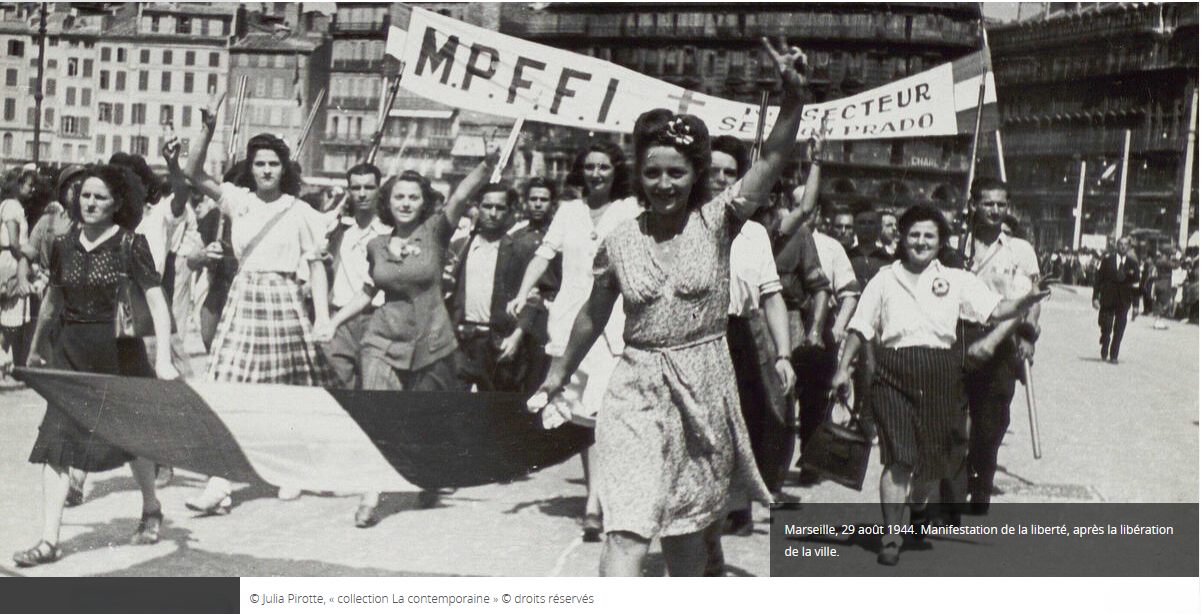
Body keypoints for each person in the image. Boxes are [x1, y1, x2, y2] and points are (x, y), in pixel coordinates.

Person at [529, 37, 808, 577]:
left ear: (695, 174)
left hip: (705, 387)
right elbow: (593, 313)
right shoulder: (619, 240)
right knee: (627, 527)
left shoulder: (719, 221)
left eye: (676, 173)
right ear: (638, 171)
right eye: (653, 173)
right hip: (636, 387)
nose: (663, 185)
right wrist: (558, 372)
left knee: (685, 534)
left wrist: (793, 99)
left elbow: (772, 158)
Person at [832, 205, 1049, 566]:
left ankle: (915, 504)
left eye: (929, 236)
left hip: (940, 374)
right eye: (914, 234)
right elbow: (860, 327)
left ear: (940, 241)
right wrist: (843, 369)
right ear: (902, 237)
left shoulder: (956, 280)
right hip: (893, 373)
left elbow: (994, 311)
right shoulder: (884, 279)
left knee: (930, 466)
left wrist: (1027, 300)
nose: (921, 242)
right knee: (898, 457)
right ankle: (890, 535)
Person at [315, 152, 499, 526]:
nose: (405, 203)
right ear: (388, 201)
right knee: (380, 415)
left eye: (413, 197)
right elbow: (368, 293)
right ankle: (371, 495)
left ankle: (428, 475)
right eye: (399, 197)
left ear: (424, 201)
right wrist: (333, 322)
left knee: (426, 417)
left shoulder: (435, 230)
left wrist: (485, 166)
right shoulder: (376, 245)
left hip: (431, 340)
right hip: (383, 338)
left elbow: (461, 197)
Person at [14, 165, 179, 567]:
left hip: (120, 355)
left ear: (117, 203)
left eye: (99, 197)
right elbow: (53, 302)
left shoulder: (130, 244)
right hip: (73, 355)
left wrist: (164, 358)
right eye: (85, 195)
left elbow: (156, 301)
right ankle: (49, 540)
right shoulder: (64, 243)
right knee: (55, 442)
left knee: (132, 439)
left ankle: (150, 506)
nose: (89, 203)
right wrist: (36, 348)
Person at [177, 96, 334, 514]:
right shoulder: (238, 200)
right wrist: (207, 129)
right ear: (252, 167)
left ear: (285, 168)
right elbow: (191, 172)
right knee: (226, 388)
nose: (266, 170)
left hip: (283, 304)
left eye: (273, 164)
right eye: (260, 163)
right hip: (243, 302)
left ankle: (292, 468)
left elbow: (317, 266)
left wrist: (323, 318)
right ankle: (219, 483)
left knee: (286, 394)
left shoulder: (301, 212)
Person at [506, 140, 640, 542]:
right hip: (572, 325)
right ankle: (593, 504)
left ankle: (612, 497)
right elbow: (544, 256)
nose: (597, 174)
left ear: (616, 171)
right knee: (586, 415)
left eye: (604, 167)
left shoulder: (630, 209)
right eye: (590, 167)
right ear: (580, 172)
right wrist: (522, 291)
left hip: (617, 323)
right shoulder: (568, 212)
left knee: (614, 415)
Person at [709, 134, 808, 543]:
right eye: (711, 171)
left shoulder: (754, 234)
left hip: (738, 335)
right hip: (695, 336)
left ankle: (736, 504)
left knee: (746, 422)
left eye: (729, 173)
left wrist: (784, 354)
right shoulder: (682, 222)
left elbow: (771, 295)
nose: (719, 179)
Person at [958, 178, 1042, 516]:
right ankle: (952, 489)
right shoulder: (957, 246)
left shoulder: (1019, 250)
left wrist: (1028, 335)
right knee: (953, 423)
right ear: (974, 203)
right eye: (988, 203)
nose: (994, 210)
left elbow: (1030, 301)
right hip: (960, 336)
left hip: (1002, 344)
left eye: (1000, 204)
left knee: (990, 427)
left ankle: (979, 491)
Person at [449, 182, 539, 392]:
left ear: (510, 212)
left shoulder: (519, 249)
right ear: (476, 208)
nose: (493, 213)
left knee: (496, 411)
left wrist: (516, 338)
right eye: (487, 206)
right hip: (462, 341)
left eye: (500, 208)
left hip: (498, 343)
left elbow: (532, 300)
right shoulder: (460, 247)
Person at [319, 163, 389, 391]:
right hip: (340, 321)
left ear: (379, 189)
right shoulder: (338, 231)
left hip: (377, 319)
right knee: (336, 391)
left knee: (375, 391)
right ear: (348, 191)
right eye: (355, 187)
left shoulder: (390, 233)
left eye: (368, 187)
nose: (361, 194)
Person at [0, 168, 37, 384]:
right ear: (17, 184)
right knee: (9, 320)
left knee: (7, 319)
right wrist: (30, 255)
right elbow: (14, 243)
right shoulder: (13, 206)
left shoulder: (7, 204)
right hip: (11, 263)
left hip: (9, 260)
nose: (32, 190)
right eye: (29, 185)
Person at [1092, 236, 1141, 363]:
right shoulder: (1107, 261)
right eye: (1120, 244)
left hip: (1124, 300)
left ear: (1129, 247)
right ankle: (1105, 341)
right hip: (1108, 298)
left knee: (1119, 328)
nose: (1123, 247)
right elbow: (1098, 280)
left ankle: (1114, 355)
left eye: (1125, 245)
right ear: (1116, 246)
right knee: (1106, 325)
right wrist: (1095, 297)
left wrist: (1136, 305)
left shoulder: (1133, 264)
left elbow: (1136, 285)